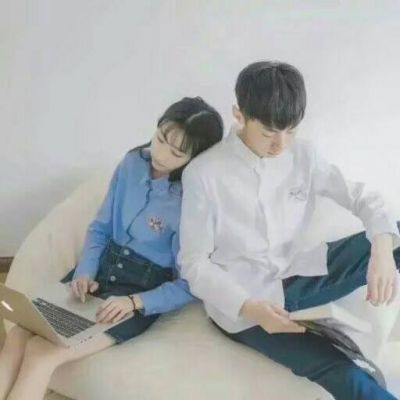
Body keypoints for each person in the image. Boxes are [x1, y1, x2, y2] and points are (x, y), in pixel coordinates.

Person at [178, 61, 400, 399]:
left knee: (394, 235)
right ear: (239, 115)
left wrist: (381, 252)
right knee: (343, 372)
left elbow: (361, 197)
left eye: (290, 131)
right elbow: (194, 264)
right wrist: (250, 308)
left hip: (299, 273)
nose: (280, 144)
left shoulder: (304, 155)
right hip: (248, 303)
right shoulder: (204, 174)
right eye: (268, 133)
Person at [0, 96, 223, 400]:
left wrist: (134, 302)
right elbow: (101, 227)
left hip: (134, 295)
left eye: (176, 153)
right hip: (96, 275)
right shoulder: (132, 164)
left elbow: (190, 283)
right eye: (160, 139)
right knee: (19, 333)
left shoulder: (192, 201)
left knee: (41, 353)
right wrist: (85, 272)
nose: (160, 154)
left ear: (195, 159)